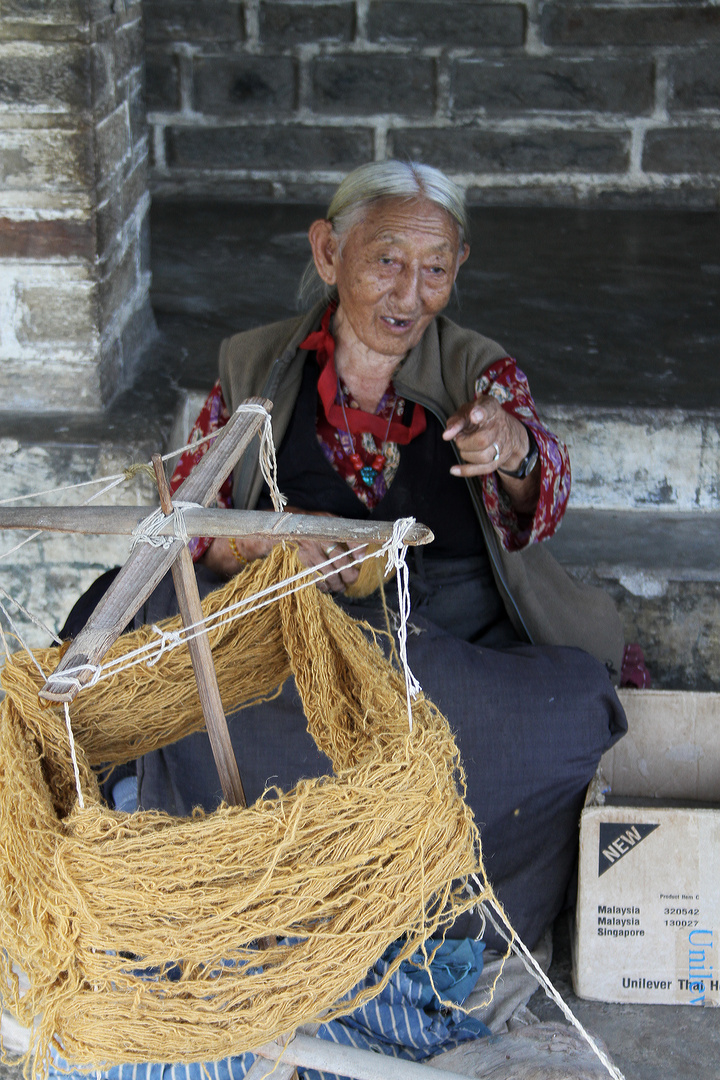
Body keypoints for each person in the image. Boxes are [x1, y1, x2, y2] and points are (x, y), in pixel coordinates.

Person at [62, 161, 627, 953]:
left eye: (435, 269)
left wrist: (514, 449)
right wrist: (257, 539)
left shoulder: (479, 373)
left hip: (430, 640)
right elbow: (184, 517)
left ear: (458, 267)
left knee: (558, 708)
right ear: (328, 254)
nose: (410, 294)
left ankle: (400, 906)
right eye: (386, 261)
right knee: (114, 636)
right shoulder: (254, 365)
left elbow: (546, 497)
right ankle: (203, 860)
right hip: (284, 630)